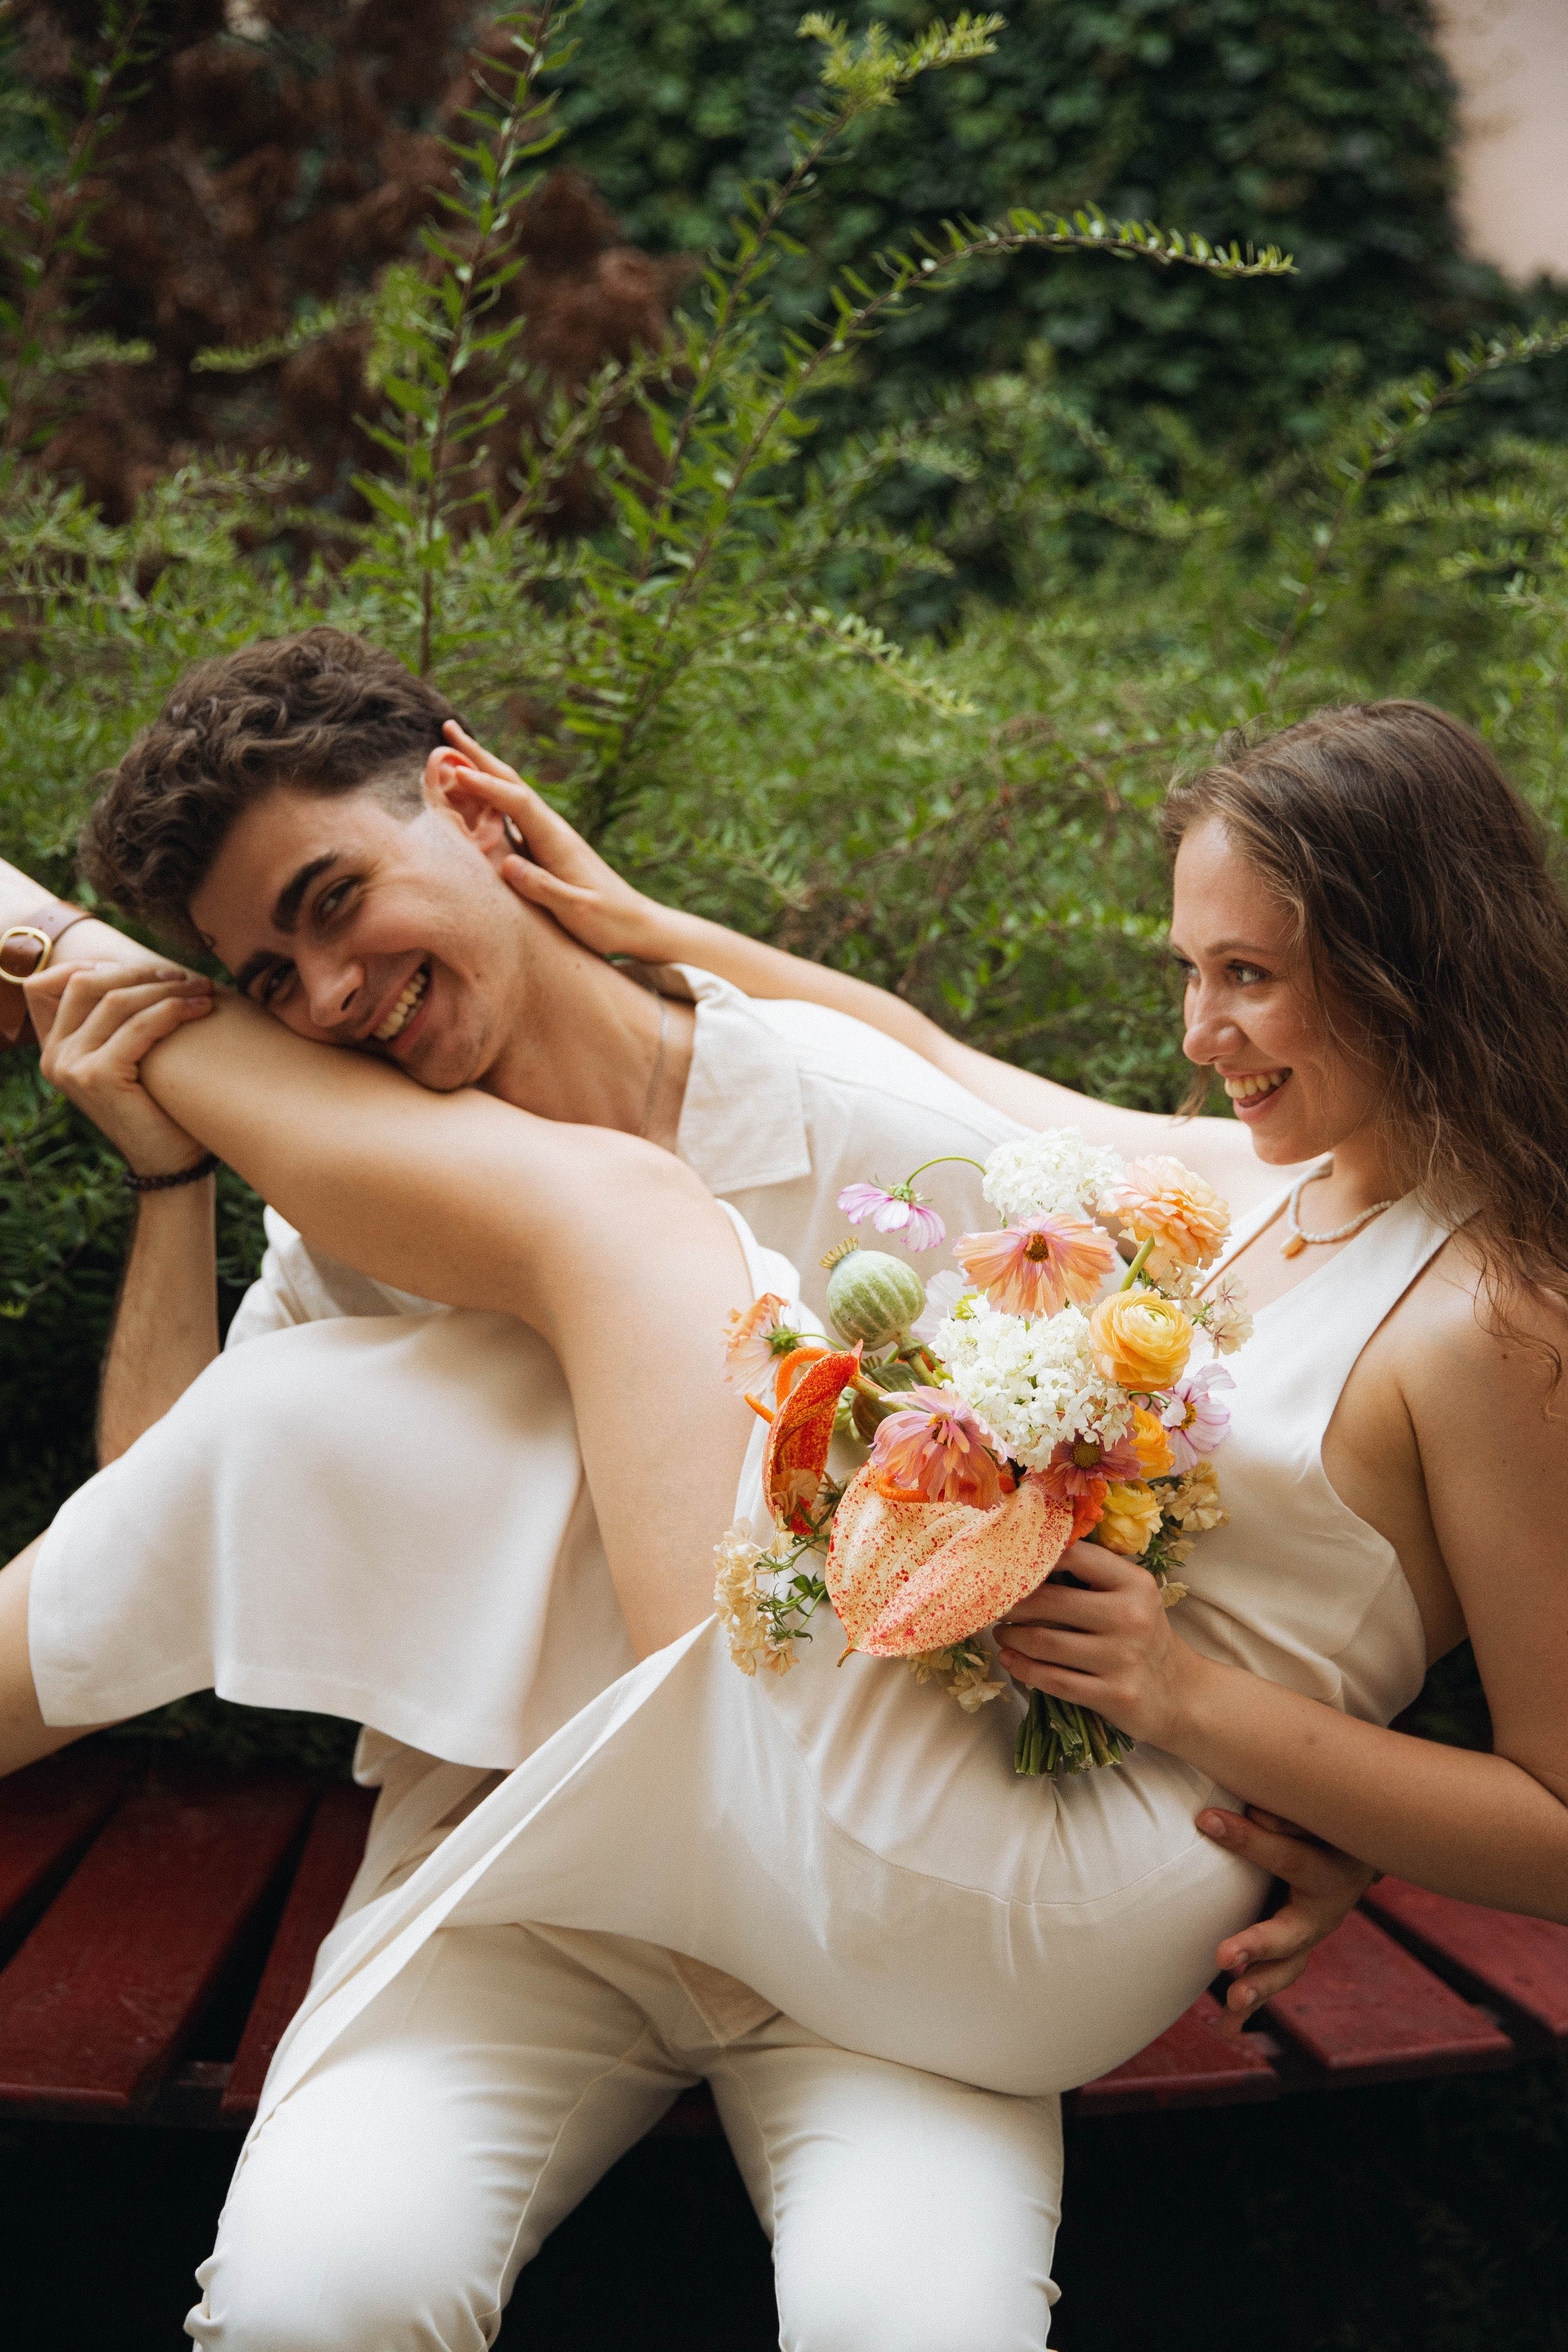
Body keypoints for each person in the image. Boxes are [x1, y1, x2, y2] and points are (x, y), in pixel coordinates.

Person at [0, 677, 1529, 2344]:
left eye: (334, 902)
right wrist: (172, 1178)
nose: (328, 995)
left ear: (474, 813)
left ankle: (41, 940)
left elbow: (1301, 1543)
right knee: (315, 2300)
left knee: (920, 2323)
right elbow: (172, 1502)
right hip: (548, 1858)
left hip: (896, 1831)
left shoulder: (913, 1149)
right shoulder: (352, 1210)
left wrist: (1272, 1758)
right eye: (266, 981)